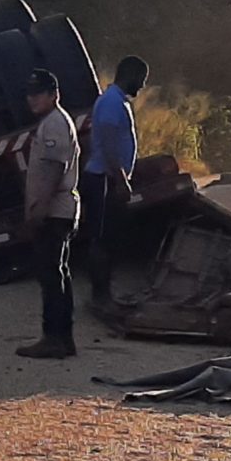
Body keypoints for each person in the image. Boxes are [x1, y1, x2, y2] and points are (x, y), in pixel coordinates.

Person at [18, 69, 82, 358]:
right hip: (57, 208)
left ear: (55, 95)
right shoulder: (51, 122)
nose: (33, 98)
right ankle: (62, 338)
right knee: (57, 273)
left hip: (55, 209)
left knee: (50, 274)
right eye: (30, 93)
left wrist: (40, 206)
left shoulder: (55, 123)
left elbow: (56, 167)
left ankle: (54, 338)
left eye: (39, 93)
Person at [79, 54, 146, 308]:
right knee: (102, 238)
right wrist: (120, 178)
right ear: (129, 76)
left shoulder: (117, 101)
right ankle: (101, 296)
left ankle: (104, 294)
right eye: (140, 80)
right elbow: (107, 141)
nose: (141, 86)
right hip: (102, 179)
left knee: (109, 238)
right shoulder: (111, 103)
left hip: (105, 177)